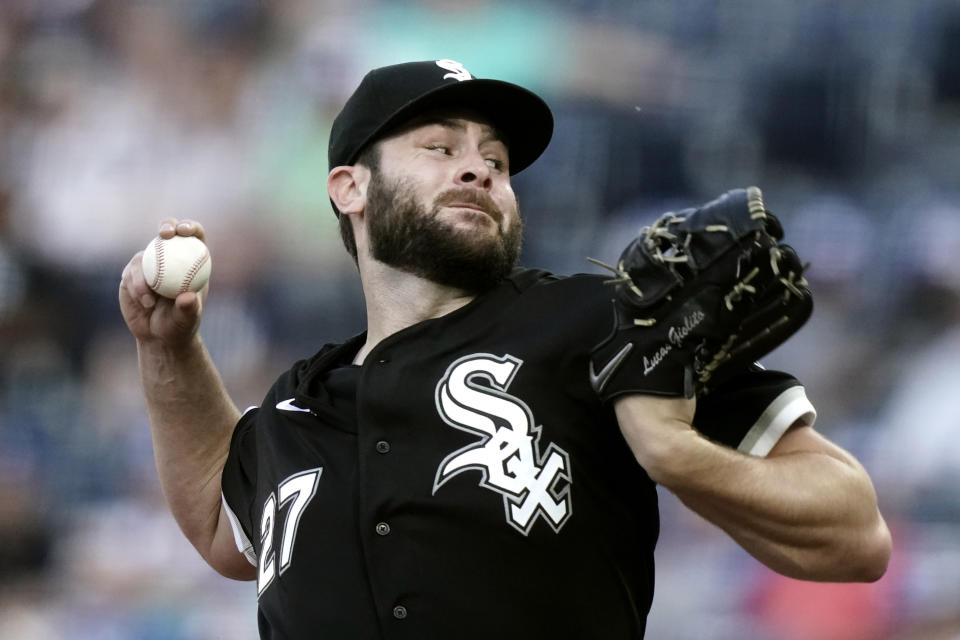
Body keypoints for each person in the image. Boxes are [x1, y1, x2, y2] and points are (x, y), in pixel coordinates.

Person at [119, 59, 891, 639]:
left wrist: (677, 456)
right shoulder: (301, 400)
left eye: (496, 159)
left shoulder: (601, 323)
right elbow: (225, 533)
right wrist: (169, 351)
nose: (478, 167)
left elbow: (854, 531)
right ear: (349, 187)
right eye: (439, 146)